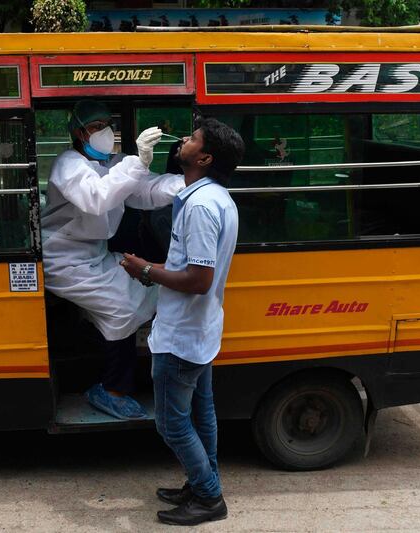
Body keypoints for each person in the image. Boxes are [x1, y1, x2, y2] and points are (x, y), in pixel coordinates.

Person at [120, 118, 244, 526]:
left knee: (172, 424)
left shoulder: (202, 207)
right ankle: (201, 482)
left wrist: (145, 270)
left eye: (192, 140)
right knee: (201, 415)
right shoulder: (214, 197)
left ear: (204, 157)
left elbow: (198, 278)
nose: (184, 142)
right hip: (200, 331)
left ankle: (209, 496)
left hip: (182, 335)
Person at [41, 100, 185, 420]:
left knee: (153, 288)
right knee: (122, 309)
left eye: (108, 124)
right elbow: (97, 198)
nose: (104, 132)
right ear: (79, 133)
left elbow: (146, 191)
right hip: (65, 261)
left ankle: (140, 365)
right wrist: (139, 161)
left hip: (96, 256)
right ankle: (111, 388)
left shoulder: (113, 162)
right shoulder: (69, 164)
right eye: (95, 127)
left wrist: (187, 185)